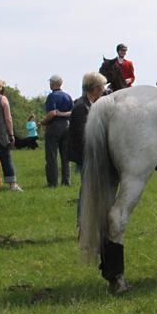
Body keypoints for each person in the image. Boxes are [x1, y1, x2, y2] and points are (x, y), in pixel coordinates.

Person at [68, 71, 108, 223]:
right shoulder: (81, 107)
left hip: (90, 155)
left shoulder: (89, 105)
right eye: (103, 87)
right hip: (85, 156)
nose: (104, 90)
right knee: (87, 190)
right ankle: (83, 221)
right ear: (97, 88)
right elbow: (81, 136)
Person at [43, 75, 73, 187]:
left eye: (50, 82)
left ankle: (53, 182)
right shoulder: (68, 96)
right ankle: (66, 181)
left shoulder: (52, 96)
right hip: (67, 126)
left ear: (53, 83)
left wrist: (43, 122)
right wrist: (63, 114)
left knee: (52, 156)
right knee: (65, 157)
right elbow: (72, 112)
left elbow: (52, 113)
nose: (49, 84)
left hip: (54, 126)